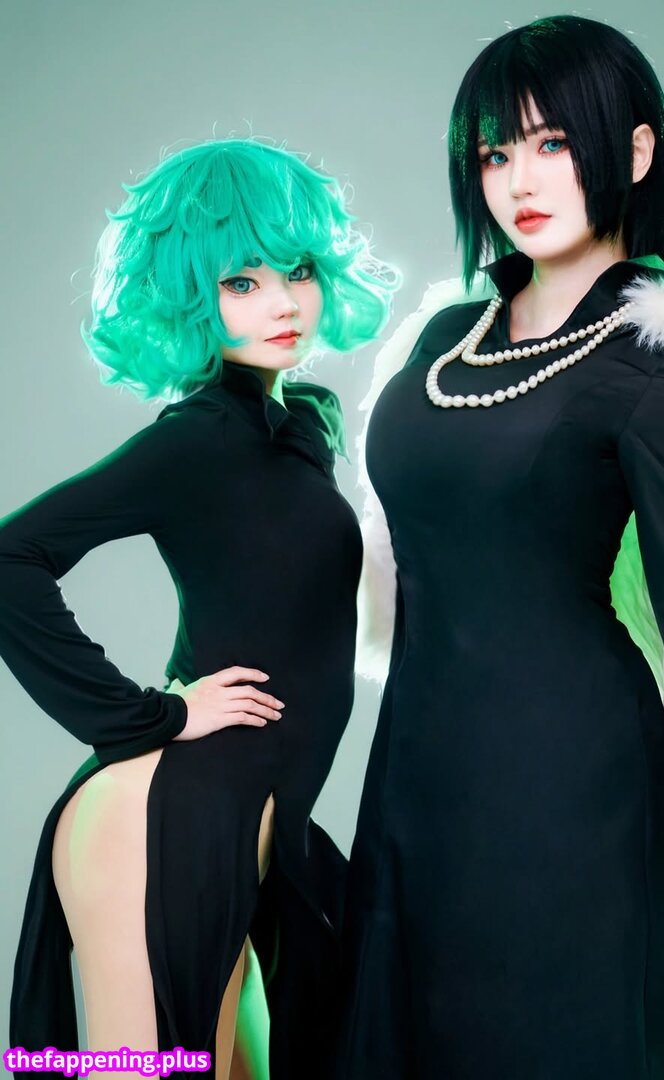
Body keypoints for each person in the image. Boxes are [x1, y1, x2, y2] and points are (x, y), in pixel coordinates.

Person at [339, 16, 664, 1079]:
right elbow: (379, 554)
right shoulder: (441, 340)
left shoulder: (654, 358)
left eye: (552, 143)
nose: (519, 180)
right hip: (417, 766)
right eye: (495, 153)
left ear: (634, 152)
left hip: (570, 775)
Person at [0, 137, 397, 1079]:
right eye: (242, 282)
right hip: (159, 824)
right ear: (187, 296)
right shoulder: (199, 439)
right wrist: (153, 716)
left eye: (297, 272)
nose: (283, 303)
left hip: (249, 822)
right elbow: (10, 557)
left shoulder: (298, 428)